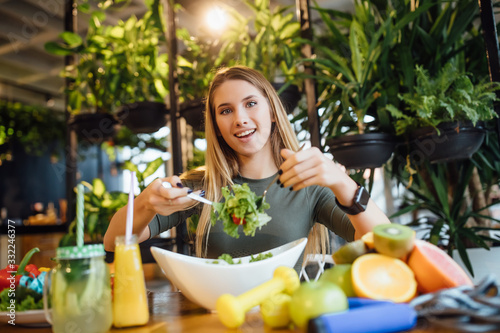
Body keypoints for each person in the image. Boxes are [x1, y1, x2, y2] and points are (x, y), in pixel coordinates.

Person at [103, 66, 391, 263]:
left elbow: (384, 242)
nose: (239, 118)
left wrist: (344, 185)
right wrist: (146, 203)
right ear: (216, 125)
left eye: (251, 103)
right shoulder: (199, 189)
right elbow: (112, 240)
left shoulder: (309, 186)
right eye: (226, 110)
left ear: (273, 112)